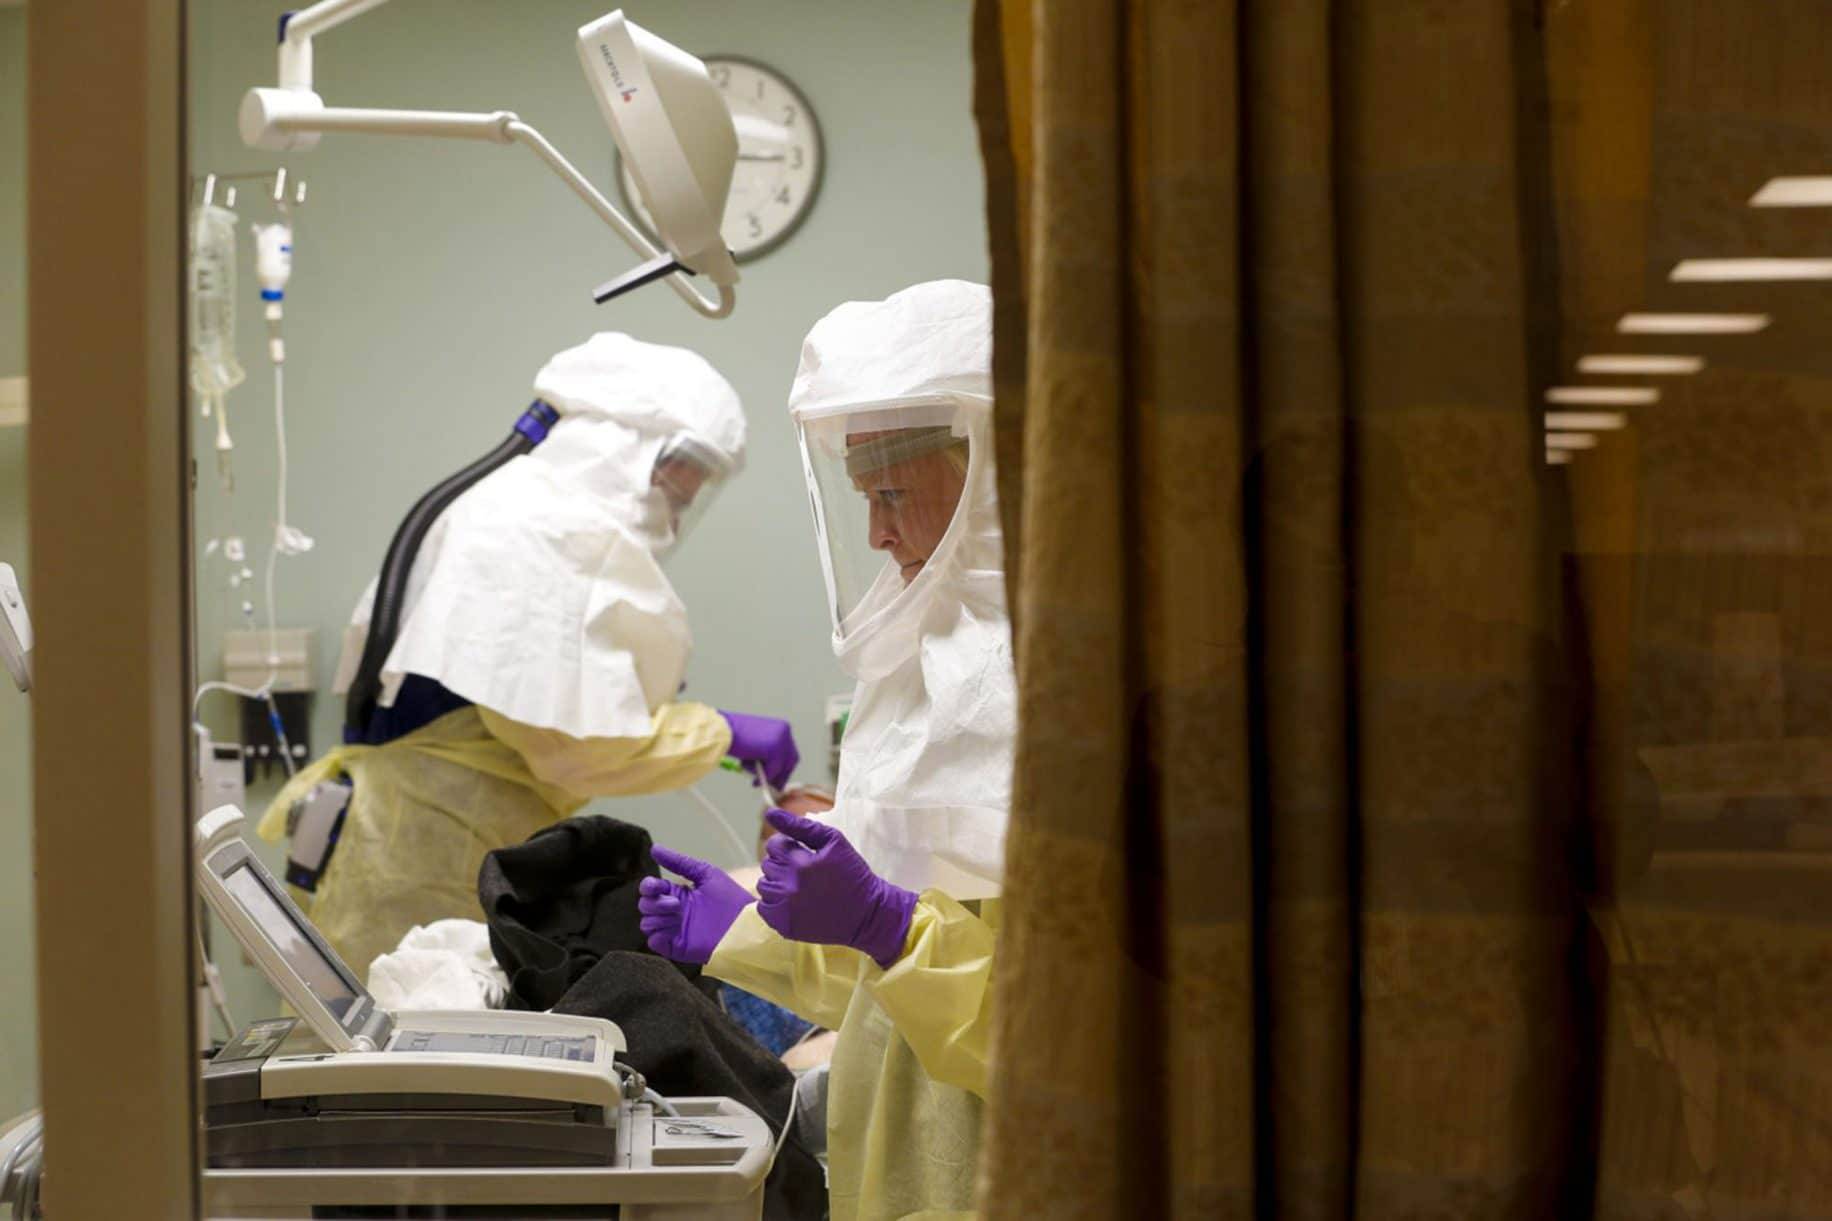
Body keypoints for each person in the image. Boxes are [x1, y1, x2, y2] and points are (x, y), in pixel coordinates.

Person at [636, 281, 1014, 1221]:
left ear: (991, 481)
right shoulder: (925, 658)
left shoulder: (1079, 689)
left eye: (892, 493)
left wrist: (887, 921)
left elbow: (1068, 1032)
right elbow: (893, 972)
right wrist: (748, 928)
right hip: (905, 1165)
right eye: (864, 499)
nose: (878, 533)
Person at [260, 333, 798, 977]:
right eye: (673, 492)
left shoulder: (520, 520)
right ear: (620, 452)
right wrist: (720, 733)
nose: (675, 519)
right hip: (417, 864)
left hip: (422, 845)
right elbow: (574, 745)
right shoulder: (524, 534)